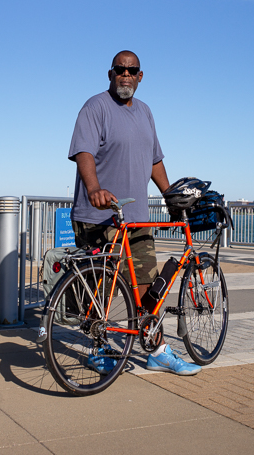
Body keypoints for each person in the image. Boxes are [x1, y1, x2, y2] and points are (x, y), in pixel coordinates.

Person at [68, 50, 201, 376]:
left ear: (140, 76)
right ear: (110, 74)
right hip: (98, 214)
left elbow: (154, 160)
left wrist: (169, 195)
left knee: (146, 287)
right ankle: (98, 348)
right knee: (100, 290)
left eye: (132, 71)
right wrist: (94, 188)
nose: (125, 76)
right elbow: (83, 151)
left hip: (136, 218)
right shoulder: (95, 107)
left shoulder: (145, 113)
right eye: (119, 70)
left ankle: (156, 349)